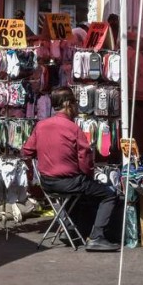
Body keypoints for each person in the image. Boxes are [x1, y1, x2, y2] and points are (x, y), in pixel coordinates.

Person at [22, 86, 120, 252]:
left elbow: (26, 151)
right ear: (68, 104)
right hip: (69, 182)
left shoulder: (41, 126)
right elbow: (85, 160)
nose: (76, 107)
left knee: (81, 190)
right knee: (110, 195)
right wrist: (88, 174)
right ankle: (96, 237)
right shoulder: (73, 128)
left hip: (47, 183)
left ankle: (71, 229)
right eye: (74, 102)